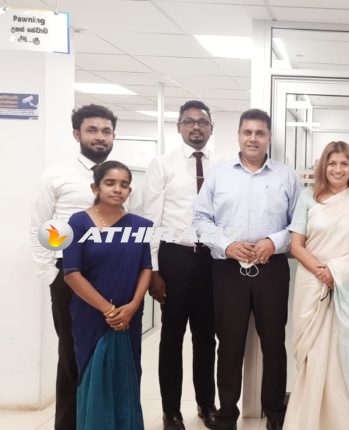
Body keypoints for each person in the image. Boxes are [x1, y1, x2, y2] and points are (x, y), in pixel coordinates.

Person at [193, 108, 300, 430]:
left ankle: (275, 414)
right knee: (229, 344)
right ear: (238, 135)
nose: (253, 138)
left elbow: (299, 223)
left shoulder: (286, 176)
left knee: (274, 343)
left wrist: (273, 242)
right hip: (228, 270)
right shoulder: (219, 174)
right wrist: (226, 244)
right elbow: (200, 219)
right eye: (247, 132)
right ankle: (227, 415)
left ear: (269, 138)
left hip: (272, 268)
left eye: (260, 133)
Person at [284, 141, 349, 430]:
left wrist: (338, 272)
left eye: (344, 163)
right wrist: (323, 272)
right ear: (323, 167)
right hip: (313, 284)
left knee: (343, 360)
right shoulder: (308, 198)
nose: (338, 169)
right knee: (314, 356)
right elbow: (296, 245)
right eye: (332, 163)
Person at [29, 103, 118, 430]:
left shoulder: (120, 177)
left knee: (108, 353)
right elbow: (39, 226)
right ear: (77, 134)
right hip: (70, 274)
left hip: (112, 275)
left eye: (106, 131)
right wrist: (50, 272)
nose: (100, 136)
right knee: (71, 354)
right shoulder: (58, 175)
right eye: (92, 130)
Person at [140, 100, 219, 430]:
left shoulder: (222, 166)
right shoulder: (162, 165)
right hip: (174, 258)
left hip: (210, 261)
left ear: (211, 128)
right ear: (179, 127)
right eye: (189, 121)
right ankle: (171, 411)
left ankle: (206, 404)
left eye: (202, 122)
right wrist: (154, 270)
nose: (196, 127)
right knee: (171, 337)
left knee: (206, 338)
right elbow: (151, 218)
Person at [62, 160, 152, 429]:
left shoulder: (140, 225)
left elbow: (146, 268)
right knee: (95, 375)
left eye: (124, 184)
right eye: (110, 183)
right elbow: (71, 273)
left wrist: (132, 306)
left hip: (129, 316)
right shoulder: (77, 223)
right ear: (95, 187)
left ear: (130, 191)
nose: (118, 189)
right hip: (92, 315)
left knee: (126, 375)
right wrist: (108, 310)